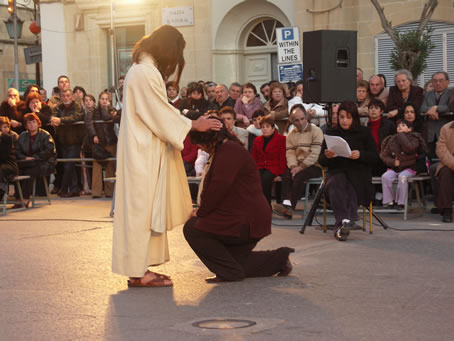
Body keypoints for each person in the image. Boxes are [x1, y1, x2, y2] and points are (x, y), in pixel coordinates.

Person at [112, 25, 222, 288]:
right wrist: (194, 125)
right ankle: (138, 272)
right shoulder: (142, 72)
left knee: (147, 211)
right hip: (142, 154)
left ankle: (142, 268)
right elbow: (157, 112)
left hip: (146, 151)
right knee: (141, 211)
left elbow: (160, 110)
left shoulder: (142, 71)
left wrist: (191, 121)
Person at [183, 118, 294, 282]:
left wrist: (201, 212)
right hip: (242, 217)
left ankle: (231, 272)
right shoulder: (227, 149)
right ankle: (279, 260)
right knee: (232, 260)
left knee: (193, 228)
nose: (201, 148)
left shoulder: (228, 150)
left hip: (245, 220)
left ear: (209, 141)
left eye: (201, 144)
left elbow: (218, 187)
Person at [319, 101, 379, 241]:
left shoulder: (364, 132)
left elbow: (375, 157)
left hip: (358, 172)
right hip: (337, 171)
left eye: (348, 117)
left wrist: (360, 155)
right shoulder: (331, 133)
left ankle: (342, 224)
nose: (345, 121)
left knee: (353, 184)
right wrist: (327, 156)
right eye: (341, 117)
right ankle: (345, 221)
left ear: (354, 118)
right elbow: (321, 161)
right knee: (335, 183)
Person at [273, 104, 323, 218]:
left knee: (299, 176)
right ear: (292, 121)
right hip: (297, 165)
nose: (300, 122)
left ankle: (290, 207)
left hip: (314, 165)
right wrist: (293, 166)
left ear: (306, 117)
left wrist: (300, 167)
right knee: (286, 174)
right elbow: (290, 153)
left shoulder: (316, 131)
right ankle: (286, 205)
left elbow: (315, 153)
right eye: (296, 120)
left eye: (302, 119)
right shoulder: (291, 134)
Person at [380, 120, 428, 209]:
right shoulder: (391, 139)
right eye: (398, 126)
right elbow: (384, 155)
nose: (400, 127)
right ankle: (389, 201)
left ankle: (400, 202)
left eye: (403, 125)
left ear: (409, 129)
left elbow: (409, 149)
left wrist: (401, 136)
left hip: (410, 167)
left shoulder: (414, 139)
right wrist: (392, 162)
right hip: (396, 167)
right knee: (385, 176)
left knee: (402, 177)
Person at [14, 113, 56, 208]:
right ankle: (18, 198)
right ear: (26, 125)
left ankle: (25, 198)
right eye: (29, 123)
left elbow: (49, 150)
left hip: (43, 162)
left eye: (34, 122)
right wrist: (24, 158)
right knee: (17, 171)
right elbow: (17, 150)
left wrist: (35, 157)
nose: (32, 124)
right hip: (26, 162)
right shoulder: (22, 136)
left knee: (29, 172)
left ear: (38, 123)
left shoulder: (45, 135)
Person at [84, 91, 120, 198]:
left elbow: (110, 118)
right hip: (98, 142)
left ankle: (110, 192)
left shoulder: (112, 110)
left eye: (106, 99)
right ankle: (96, 192)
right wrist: (93, 135)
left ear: (109, 101)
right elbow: (88, 123)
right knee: (97, 166)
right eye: (102, 99)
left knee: (110, 166)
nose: (104, 101)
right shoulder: (93, 111)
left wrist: (108, 111)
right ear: (99, 100)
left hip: (110, 140)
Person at [50, 88, 85, 197]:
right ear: (61, 97)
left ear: (72, 96)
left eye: (68, 96)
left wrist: (61, 120)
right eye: (64, 96)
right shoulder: (58, 107)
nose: (66, 98)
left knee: (69, 165)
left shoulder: (77, 106)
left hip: (75, 141)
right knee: (70, 166)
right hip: (62, 141)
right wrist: (53, 119)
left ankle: (64, 188)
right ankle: (74, 189)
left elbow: (77, 117)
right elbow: (54, 116)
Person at [251, 115, 286, 205]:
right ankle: (256, 205)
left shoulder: (281, 139)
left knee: (265, 179)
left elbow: (283, 157)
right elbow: (254, 157)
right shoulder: (257, 140)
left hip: (274, 167)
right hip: (260, 166)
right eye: (262, 127)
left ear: (273, 128)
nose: (264, 129)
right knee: (254, 178)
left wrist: (280, 173)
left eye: (267, 127)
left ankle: (266, 206)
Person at [421, 72, 452, 159]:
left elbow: (449, 107)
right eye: (435, 81)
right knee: (431, 158)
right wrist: (431, 111)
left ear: (447, 82)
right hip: (430, 132)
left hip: (446, 132)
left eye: (441, 81)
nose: (438, 83)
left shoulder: (451, 93)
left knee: (445, 158)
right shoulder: (427, 94)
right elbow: (422, 108)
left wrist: (435, 108)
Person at [434, 121, 454, 223]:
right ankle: (447, 210)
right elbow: (441, 149)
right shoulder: (446, 128)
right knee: (445, 173)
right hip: (449, 163)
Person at [0, 117, 19, 200]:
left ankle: (2, 190)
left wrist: (2, 136)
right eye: (3, 127)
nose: (5, 129)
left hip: (9, 165)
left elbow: (3, 156)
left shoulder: (8, 138)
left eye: (6, 127)